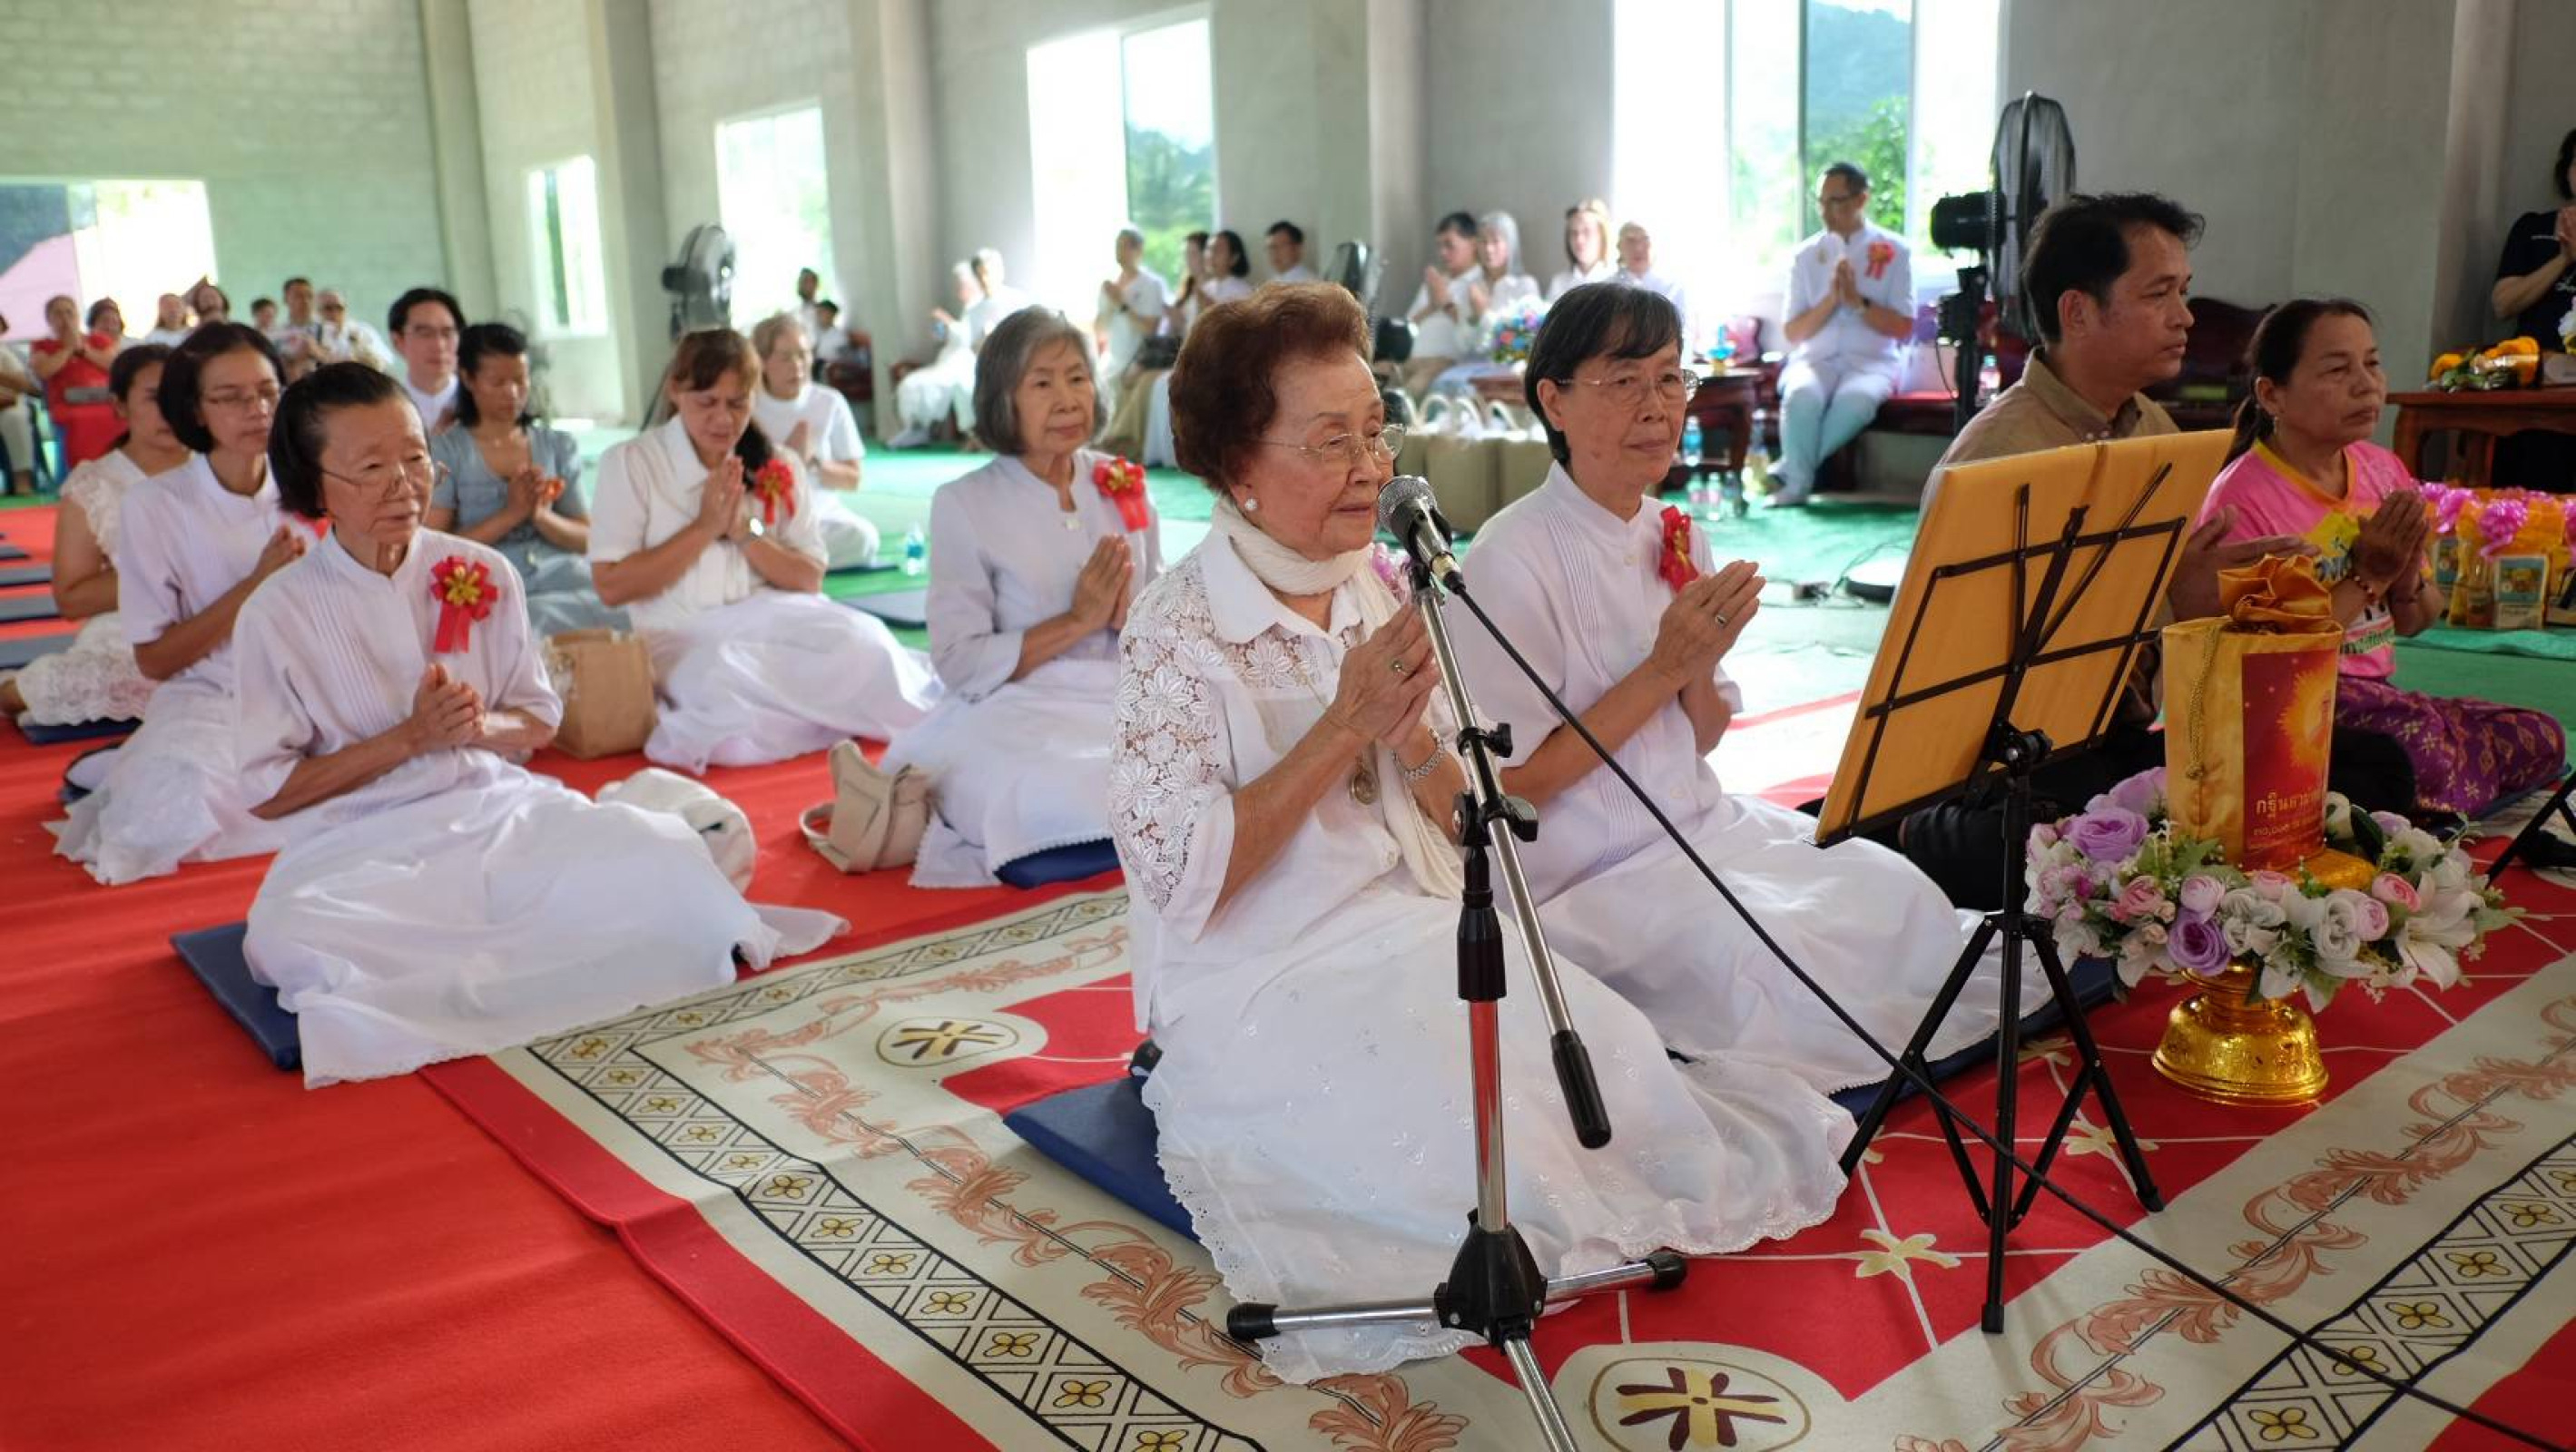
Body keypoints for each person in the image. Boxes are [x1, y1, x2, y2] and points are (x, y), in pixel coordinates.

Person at [1109, 281, 1848, 1384]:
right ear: (1236, 464)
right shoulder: (1177, 628)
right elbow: (1184, 881)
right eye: (1332, 442)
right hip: (1257, 968)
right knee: (1459, 1155)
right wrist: (1340, 729)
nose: (1372, 466)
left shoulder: (1375, 584)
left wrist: (1403, 743)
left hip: (1405, 923)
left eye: (1376, 430)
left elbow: (1463, 808)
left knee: (1611, 1067)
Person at [1451, 281, 1995, 1092]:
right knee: (1773, 971)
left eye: (1671, 378)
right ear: (1554, 401)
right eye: (1625, 380)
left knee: (1895, 896)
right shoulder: (1507, 559)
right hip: (1589, 877)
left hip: (1700, 826)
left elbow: (1698, 738)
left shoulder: (1673, 532)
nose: (1657, 406)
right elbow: (1514, 790)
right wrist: (1665, 666)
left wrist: (1700, 662)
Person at [234, 363, 841, 1087]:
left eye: (415, 457)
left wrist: (477, 726)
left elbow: (538, 722)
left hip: (496, 812)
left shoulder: (481, 569)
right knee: (292, 935)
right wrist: (407, 739)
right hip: (358, 842)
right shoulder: (277, 612)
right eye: (372, 467)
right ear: (313, 485)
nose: (404, 484)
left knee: (659, 857)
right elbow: (269, 791)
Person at [1902, 193, 2315, 908]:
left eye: (2182, 292)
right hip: (2007, 768)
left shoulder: (2150, 425)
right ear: (2077, 312)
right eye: (2160, 294)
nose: (2186, 316)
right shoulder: (1995, 459)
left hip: (2108, 744)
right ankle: (1919, 836)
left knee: (2334, 773)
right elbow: (1962, 670)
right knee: (2049, 840)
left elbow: (2162, 656)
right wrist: (2172, 601)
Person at [2203, 299, 2564, 819]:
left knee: (2541, 734)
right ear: (2271, 394)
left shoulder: (2381, 470)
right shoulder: (2240, 502)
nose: (2365, 384)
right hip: (2291, 711)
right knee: (2419, 756)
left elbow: (2417, 620)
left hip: (2384, 700)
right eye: (2336, 369)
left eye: (2371, 363)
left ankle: (2421, 800)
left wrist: (2404, 576)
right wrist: (2367, 576)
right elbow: (2272, 664)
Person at [885, 308, 1161, 886]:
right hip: (1016, 707)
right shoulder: (965, 502)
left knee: (1217, 742)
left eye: (1078, 377)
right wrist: (1079, 620)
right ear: (1002, 400)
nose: (1066, 399)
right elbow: (960, 663)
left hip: (1119, 697)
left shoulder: (1121, 481)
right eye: (1042, 383)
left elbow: (1162, 624)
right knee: (1041, 784)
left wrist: (1131, 615)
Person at [589, 329, 937, 771]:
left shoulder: (777, 463)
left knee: (869, 645)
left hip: (772, 614)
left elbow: (809, 579)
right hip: (681, 635)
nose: (723, 419)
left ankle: (826, 715)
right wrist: (703, 528)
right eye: (707, 402)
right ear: (676, 391)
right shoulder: (632, 462)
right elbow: (611, 586)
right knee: (726, 701)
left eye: (737, 403)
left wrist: (744, 531)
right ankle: (829, 717)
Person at [51, 324, 299, 883]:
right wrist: (253, 584)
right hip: (212, 697)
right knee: (184, 804)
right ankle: (130, 764)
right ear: (195, 409)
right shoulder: (155, 505)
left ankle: (126, 761)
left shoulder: (308, 484)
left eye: (266, 392)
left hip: (309, 694)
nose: (256, 409)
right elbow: (156, 661)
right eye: (230, 398)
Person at [0, 345, 176, 726]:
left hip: (227, 617)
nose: (170, 409)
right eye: (153, 398)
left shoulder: (222, 468)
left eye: (182, 396)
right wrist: (171, 571)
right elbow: (72, 599)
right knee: (62, 685)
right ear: (120, 406)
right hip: (130, 629)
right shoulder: (95, 483)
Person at [426, 322, 623, 634]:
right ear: (467, 378)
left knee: (631, 605)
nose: (513, 393)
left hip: (563, 573)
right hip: (488, 582)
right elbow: (433, 550)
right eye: (498, 382)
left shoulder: (557, 445)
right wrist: (510, 515)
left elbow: (589, 538)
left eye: (520, 380)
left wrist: (542, 517)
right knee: (528, 622)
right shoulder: (446, 450)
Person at [1772, 162, 1913, 507]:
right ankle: (1798, 481)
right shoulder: (1805, 256)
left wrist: (1858, 303)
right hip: (1815, 359)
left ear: (1861, 199)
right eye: (1820, 202)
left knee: (1856, 402)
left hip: (1871, 362)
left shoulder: (1895, 251)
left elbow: (1903, 327)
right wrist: (1832, 300)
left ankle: (1793, 473)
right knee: (1801, 396)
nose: (1825, 211)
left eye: (1835, 201)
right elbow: (1792, 332)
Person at [748, 311, 879, 570]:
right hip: (766, 517)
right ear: (762, 361)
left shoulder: (829, 403)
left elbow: (853, 479)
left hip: (820, 517)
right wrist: (786, 461)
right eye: (785, 357)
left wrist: (813, 463)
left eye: (803, 354)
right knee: (744, 534)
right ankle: (786, 560)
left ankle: (777, 563)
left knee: (865, 539)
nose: (797, 365)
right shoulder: (748, 406)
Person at [887, 261, 985, 448]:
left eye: (962, 285)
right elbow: (947, 338)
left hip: (966, 363)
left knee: (961, 385)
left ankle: (973, 435)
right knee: (912, 383)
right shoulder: (968, 309)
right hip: (950, 361)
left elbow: (969, 339)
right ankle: (916, 429)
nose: (959, 289)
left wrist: (947, 321)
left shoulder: (978, 307)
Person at [30, 295, 121, 468]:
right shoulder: (42, 345)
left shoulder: (98, 340)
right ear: (49, 320)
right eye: (58, 313)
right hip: (67, 403)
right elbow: (44, 370)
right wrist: (68, 348)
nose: (65, 318)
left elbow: (113, 365)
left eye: (69, 312)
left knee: (119, 416)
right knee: (80, 420)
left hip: (104, 399)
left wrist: (82, 349)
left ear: (78, 316)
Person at [1398, 211, 1480, 397]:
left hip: (1444, 362)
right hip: (1411, 360)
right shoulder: (1436, 282)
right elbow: (1407, 327)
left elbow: (1477, 333)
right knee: (1374, 378)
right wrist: (1432, 307)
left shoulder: (1479, 282)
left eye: (1449, 245)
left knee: (1410, 393)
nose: (1443, 253)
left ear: (1473, 244)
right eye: (1440, 246)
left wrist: (1446, 303)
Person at [1094, 226, 1172, 415]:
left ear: (1138, 250)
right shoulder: (1110, 285)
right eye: (1117, 246)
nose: (1119, 252)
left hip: (1138, 359)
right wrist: (1110, 304)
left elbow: (1150, 329)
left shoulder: (1151, 284)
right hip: (1112, 359)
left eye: (1125, 246)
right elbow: (1099, 328)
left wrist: (1122, 304)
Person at [1612, 221, 1695, 355]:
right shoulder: (1608, 288)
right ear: (1619, 247)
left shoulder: (1674, 287)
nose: (1638, 248)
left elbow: (1685, 333)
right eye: (1630, 241)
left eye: (1645, 239)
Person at [388, 287, 464, 431]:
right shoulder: (386, 407)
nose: (439, 345)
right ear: (398, 341)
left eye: (447, 333)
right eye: (425, 334)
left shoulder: (479, 402)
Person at [1547, 198, 1617, 301]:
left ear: (1602, 235)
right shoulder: (1559, 282)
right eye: (1574, 233)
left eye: (1587, 231)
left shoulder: (1616, 280)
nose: (1579, 240)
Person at [0, 317, 38, 494]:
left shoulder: (7, 353)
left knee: (15, 418)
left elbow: (26, 386)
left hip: (9, 404)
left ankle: (22, 480)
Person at [314, 289, 392, 370]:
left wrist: (360, 355)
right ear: (316, 311)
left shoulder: (362, 331)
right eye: (328, 308)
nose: (335, 313)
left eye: (339, 308)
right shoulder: (312, 334)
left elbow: (382, 362)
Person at [1199, 230, 1255, 310]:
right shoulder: (1206, 288)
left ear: (1234, 258)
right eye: (1209, 249)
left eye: (1218, 250)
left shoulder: (1243, 291)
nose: (1211, 255)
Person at [1264, 220, 1315, 284]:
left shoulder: (1311, 284)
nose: (1274, 253)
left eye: (1281, 246)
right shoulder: (1272, 283)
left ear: (1297, 248)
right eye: (1271, 248)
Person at [793, 266, 823, 340]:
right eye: (804, 282)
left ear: (816, 285)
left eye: (810, 282)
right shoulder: (793, 313)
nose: (807, 286)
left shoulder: (824, 311)